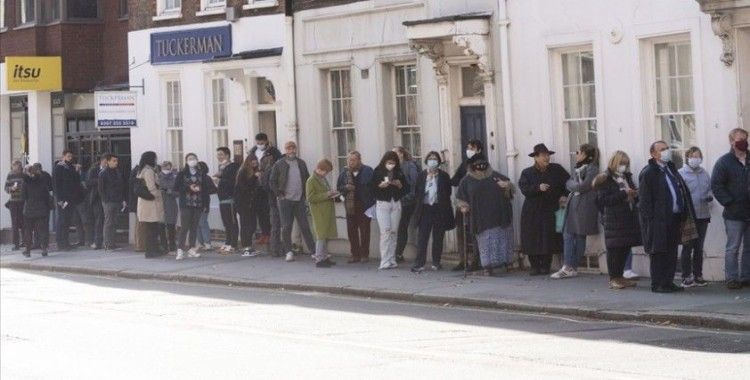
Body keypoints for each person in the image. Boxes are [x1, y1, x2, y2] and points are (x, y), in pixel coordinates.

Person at [639, 140, 693, 293]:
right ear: (654, 154)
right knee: (658, 252)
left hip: (674, 217)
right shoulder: (649, 172)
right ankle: (658, 283)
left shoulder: (670, 168)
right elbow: (644, 200)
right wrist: (651, 219)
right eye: (662, 149)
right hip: (658, 220)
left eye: (667, 148)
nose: (666, 151)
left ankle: (668, 281)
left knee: (671, 251)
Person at [456, 154, 514, 276]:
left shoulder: (496, 176)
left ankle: (504, 263)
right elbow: (460, 198)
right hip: (480, 217)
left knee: (502, 239)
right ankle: (487, 266)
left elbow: (511, 188)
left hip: (500, 214)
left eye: (483, 162)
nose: (480, 165)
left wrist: (507, 186)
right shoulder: (466, 180)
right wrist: (463, 206)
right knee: (485, 242)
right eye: (477, 164)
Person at [519, 144, 570, 275]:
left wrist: (564, 195)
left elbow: (569, 183)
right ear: (535, 157)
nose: (547, 158)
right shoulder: (527, 172)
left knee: (549, 236)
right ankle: (535, 266)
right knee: (532, 237)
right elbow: (524, 189)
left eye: (548, 155)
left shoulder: (557, 169)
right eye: (543, 155)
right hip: (532, 210)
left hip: (550, 208)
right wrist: (537, 188)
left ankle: (546, 266)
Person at [594, 151, 641, 289]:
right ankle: (613, 278)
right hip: (613, 219)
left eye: (626, 164)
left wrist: (634, 194)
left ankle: (620, 276)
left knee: (625, 248)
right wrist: (623, 194)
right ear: (615, 162)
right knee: (615, 250)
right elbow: (603, 200)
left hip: (628, 216)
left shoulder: (626, 177)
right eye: (622, 163)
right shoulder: (605, 178)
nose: (624, 166)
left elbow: (631, 193)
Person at [552, 144, 600, 279]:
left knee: (578, 236)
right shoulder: (578, 168)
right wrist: (572, 185)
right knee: (568, 234)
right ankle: (570, 266)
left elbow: (582, 186)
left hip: (584, 206)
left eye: (578, 152)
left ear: (585, 154)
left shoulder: (592, 169)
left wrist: (571, 184)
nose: (576, 154)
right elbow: (572, 184)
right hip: (573, 205)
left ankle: (569, 266)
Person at [711, 128, 749, 290]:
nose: (743, 141)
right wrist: (729, 202)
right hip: (734, 213)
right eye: (739, 139)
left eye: (745, 138)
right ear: (732, 141)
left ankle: (746, 276)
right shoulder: (724, 162)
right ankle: (731, 278)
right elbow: (716, 185)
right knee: (733, 247)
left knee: (749, 247)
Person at [269, 141, 316, 262]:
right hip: (285, 200)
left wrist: (306, 196)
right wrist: (279, 194)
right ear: (285, 150)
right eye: (289, 149)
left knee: (305, 226)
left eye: (293, 148)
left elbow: (307, 179)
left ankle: (314, 251)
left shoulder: (301, 163)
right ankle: (288, 251)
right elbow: (272, 181)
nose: (291, 151)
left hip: (299, 199)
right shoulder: (279, 164)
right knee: (286, 227)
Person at [411, 151, 455, 272]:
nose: (432, 160)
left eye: (435, 158)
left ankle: (436, 262)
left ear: (438, 161)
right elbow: (417, 193)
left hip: (438, 208)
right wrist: (428, 184)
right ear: (426, 161)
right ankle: (419, 262)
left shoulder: (444, 176)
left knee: (438, 237)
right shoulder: (421, 175)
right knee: (422, 237)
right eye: (430, 158)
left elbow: (448, 193)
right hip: (425, 209)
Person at [678, 147, 712, 288]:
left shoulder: (704, 173)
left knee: (699, 247)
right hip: (689, 216)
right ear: (687, 158)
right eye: (693, 156)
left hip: (703, 214)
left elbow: (710, 188)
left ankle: (698, 275)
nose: (696, 159)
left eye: (698, 156)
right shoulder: (681, 173)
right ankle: (686, 276)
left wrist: (709, 196)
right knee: (688, 246)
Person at [369, 151, 408, 270]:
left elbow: (406, 189)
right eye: (389, 162)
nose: (391, 165)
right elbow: (371, 189)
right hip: (382, 203)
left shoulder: (399, 173)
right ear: (384, 162)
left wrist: (400, 185)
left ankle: (392, 259)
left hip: (395, 203)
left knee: (393, 232)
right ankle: (384, 260)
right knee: (385, 232)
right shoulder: (378, 171)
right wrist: (379, 186)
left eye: (393, 163)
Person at [451, 140, 485, 271]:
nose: (469, 150)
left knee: (475, 231)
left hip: (475, 203)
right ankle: (463, 260)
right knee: (461, 231)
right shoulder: (465, 164)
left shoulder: (483, 164)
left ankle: (476, 260)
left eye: (472, 148)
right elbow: (454, 180)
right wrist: (463, 181)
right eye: (468, 148)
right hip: (462, 201)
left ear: (479, 150)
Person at [337, 151, 375, 263]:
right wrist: (345, 187)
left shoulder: (368, 170)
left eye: (353, 160)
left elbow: (373, 187)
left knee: (364, 231)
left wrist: (372, 202)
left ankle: (364, 255)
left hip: (364, 205)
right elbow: (339, 187)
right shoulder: (344, 173)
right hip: (350, 205)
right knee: (351, 231)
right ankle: (355, 255)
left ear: (359, 160)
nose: (350, 162)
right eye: (349, 159)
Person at [247, 133, 282, 246]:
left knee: (270, 210)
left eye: (261, 143)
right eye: (258, 143)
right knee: (259, 210)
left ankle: (271, 235)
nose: (259, 145)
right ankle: (264, 233)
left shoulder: (274, 152)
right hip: (256, 184)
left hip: (268, 184)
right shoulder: (252, 152)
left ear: (266, 141)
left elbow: (279, 166)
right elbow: (247, 165)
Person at [175, 154, 212, 260]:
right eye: (190, 159)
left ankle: (191, 248)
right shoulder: (182, 174)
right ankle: (180, 249)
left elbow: (205, 190)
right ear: (186, 161)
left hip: (198, 203)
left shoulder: (202, 174)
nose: (192, 161)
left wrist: (205, 204)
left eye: (194, 159)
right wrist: (188, 187)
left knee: (194, 227)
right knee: (184, 227)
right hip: (186, 203)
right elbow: (176, 187)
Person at [306, 159, 339, 268]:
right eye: (326, 171)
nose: (327, 174)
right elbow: (310, 198)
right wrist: (327, 194)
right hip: (319, 212)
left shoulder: (322, 179)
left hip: (326, 210)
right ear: (320, 169)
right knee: (321, 235)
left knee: (325, 235)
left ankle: (325, 257)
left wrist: (332, 194)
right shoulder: (311, 180)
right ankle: (319, 259)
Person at [53, 150, 85, 251]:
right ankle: (60, 243)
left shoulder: (71, 167)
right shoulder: (59, 167)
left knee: (67, 221)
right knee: (62, 220)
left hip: (70, 198)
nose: (70, 158)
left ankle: (66, 242)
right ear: (63, 156)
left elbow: (75, 181)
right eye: (68, 156)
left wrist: (77, 171)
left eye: (71, 156)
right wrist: (59, 199)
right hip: (63, 199)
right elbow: (56, 184)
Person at [136, 151, 165, 258]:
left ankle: (153, 250)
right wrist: (159, 195)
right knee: (151, 229)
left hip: (147, 204)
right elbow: (151, 187)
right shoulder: (148, 171)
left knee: (151, 228)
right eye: (155, 158)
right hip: (150, 204)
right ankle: (151, 251)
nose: (156, 160)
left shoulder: (145, 170)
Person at [393, 147, 419, 263]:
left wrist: (406, 197)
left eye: (395, 153)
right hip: (395, 202)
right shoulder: (393, 167)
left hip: (407, 202)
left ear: (402, 154)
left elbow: (414, 184)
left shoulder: (410, 166)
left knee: (402, 226)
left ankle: (398, 253)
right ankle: (396, 253)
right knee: (396, 227)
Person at [21, 164, 53, 257]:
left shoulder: (25, 183)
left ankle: (28, 250)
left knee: (28, 231)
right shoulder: (42, 182)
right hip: (41, 209)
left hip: (29, 210)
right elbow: (46, 195)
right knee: (42, 230)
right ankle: (44, 249)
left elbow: (23, 197)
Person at [214, 147, 240, 254]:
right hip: (222, 198)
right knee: (226, 222)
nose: (219, 157)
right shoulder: (222, 167)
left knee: (231, 221)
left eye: (221, 154)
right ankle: (228, 241)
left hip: (230, 198)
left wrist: (219, 180)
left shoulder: (233, 166)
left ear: (227, 155)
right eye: (218, 155)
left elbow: (232, 182)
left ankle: (233, 244)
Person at [234, 155, 262, 257]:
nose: (255, 164)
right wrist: (254, 177)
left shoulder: (254, 172)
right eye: (253, 163)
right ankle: (246, 247)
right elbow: (244, 187)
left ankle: (249, 246)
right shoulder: (243, 172)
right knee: (246, 225)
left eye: (256, 162)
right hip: (243, 203)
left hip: (251, 203)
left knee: (252, 225)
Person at [99, 154, 127, 252]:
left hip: (117, 200)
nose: (116, 163)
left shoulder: (117, 172)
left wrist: (122, 199)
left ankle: (112, 243)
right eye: (114, 161)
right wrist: (105, 199)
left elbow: (121, 186)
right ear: (108, 161)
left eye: (116, 161)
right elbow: (101, 189)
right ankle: (107, 244)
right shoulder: (103, 173)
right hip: (108, 201)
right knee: (108, 222)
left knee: (114, 222)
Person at [86, 155, 108, 249]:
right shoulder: (94, 170)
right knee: (99, 220)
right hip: (97, 198)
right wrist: (100, 180)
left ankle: (106, 241)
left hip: (107, 198)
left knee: (107, 220)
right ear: (102, 161)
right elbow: (89, 182)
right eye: (106, 162)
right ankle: (97, 241)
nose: (107, 164)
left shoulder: (111, 170)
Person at [157, 161, 179, 254]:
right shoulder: (157, 176)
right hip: (160, 204)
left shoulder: (175, 177)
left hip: (171, 204)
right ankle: (163, 246)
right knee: (161, 226)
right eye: (164, 166)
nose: (166, 168)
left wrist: (170, 191)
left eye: (168, 167)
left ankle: (172, 246)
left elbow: (178, 192)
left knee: (171, 226)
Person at [196, 161, 217, 251]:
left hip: (203, 202)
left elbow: (213, 189)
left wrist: (203, 191)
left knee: (202, 222)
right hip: (195, 203)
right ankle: (201, 242)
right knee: (197, 224)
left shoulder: (206, 178)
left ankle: (207, 243)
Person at [4, 161, 25, 251]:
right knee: (15, 223)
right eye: (14, 167)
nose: (16, 168)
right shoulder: (10, 175)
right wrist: (11, 188)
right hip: (13, 201)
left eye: (18, 166)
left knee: (24, 222)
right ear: (12, 167)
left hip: (23, 201)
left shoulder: (23, 175)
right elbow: (6, 188)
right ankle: (16, 244)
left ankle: (25, 241)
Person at [129, 163, 146, 252]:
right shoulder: (138, 174)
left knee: (140, 224)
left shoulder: (136, 172)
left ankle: (140, 244)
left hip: (137, 202)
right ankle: (140, 245)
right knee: (140, 224)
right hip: (138, 203)